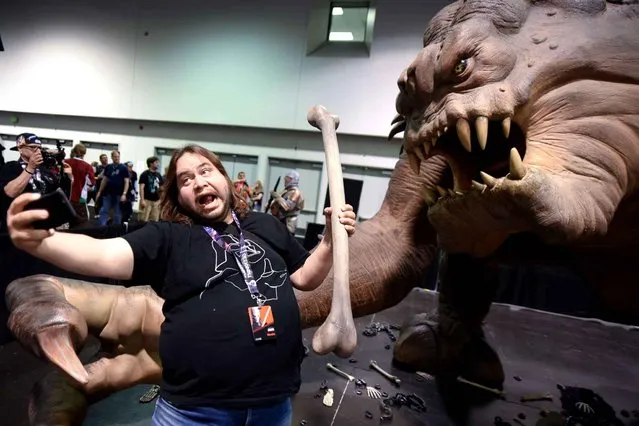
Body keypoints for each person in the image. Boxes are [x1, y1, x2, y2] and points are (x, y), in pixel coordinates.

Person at [6, 143, 357, 426]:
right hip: (195, 412)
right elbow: (104, 254)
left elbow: (305, 277)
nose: (199, 182)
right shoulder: (170, 238)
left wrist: (328, 241)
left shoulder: (265, 225)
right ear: (178, 195)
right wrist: (42, 243)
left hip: (274, 405)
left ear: (224, 178)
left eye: (205, 171)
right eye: (186, 179)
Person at [0, 133, 72, 232]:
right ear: (20, 149)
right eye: (33, 147)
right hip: (18, 227)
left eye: (39, 148)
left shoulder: (46, 172)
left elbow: (62, 196)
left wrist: (68, 177)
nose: (38, 151)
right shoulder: (11, 167)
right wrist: (30, 168)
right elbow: (10, 193)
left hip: (43, 226)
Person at [95, 150, 130, 226]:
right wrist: (99, 192)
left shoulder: (123, 168)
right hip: (108, 193)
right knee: (104, 210)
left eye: (118, 156)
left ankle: (116, 231)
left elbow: (126, 181)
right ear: (112, 157)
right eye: (115, 156)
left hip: (119, 194)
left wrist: (124, 194)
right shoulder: (109, 167)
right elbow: (104, 180)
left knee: (117, 213)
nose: (117, 158)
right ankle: (101, 228)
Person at [64, 143, 96, 220]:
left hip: (65, 196)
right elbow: (91, 183)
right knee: (83, 221)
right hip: (80, 197)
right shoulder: (87, 166)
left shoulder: (65, 162)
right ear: (84, 153)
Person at [270, 170, 304, 235]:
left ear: (292, 180)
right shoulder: (286, 191)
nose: (285, 181)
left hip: (288, 222)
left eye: (288, 179)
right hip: (281, 220)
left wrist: (277, 197)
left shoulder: (295, 193)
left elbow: (288, 207)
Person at [139, 156, 165, 222]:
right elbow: (141, 188)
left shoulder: (158, 175)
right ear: (151, 164)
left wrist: (162, 199)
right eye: (156, 162)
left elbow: (161, 188)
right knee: (144, 220)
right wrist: (142, 200)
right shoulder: (144, 174)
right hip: (147, 200)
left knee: (155, 221)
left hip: (156, 201)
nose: (158, 164)